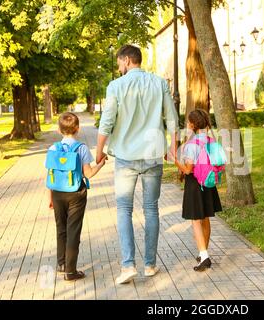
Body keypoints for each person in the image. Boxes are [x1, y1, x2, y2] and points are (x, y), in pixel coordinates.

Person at [96, 44, 178, 284]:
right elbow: (172, 118)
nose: (118, 67)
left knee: (124, 210)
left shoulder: (116, 86)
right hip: (153, 154)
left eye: (119, 62)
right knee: (151, 209)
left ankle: (128, 265)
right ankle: (150, 265)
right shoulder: (160, 83)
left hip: (125, 157)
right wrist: (172, 147)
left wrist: (98, 152)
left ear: (127, 60)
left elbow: (107, 122)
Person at [47, 112, 106, 281]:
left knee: (61, 228)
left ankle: (61, 264)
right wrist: (101, 163)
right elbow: (88, 174)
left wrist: (49, 197)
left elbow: (49, 174)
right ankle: (71, 272)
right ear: (78, 129)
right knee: (73, 230)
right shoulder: (81, 148)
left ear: (59, 130)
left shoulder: (53, 148)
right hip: (76, 194)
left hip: (57, 192)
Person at [170, 109, 222, 271]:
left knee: (196, 220)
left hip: (195, 185)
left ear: (192, 124)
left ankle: (204, 256)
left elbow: (187, 170)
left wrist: (174, 160)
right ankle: (203, 252)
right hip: (209, 183)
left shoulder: (192, 145)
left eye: (188, 122)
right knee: (205, 217)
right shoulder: (210, 140)